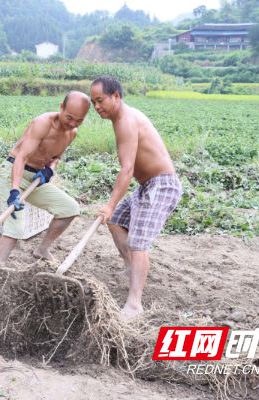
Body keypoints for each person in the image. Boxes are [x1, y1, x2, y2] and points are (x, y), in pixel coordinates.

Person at [90, 76, 182, 320]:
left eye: (100, 101)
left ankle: (134, 303)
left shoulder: (126, 121)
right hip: (147, 185)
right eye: (93, 103)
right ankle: (132, 267)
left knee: (138, 242)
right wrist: (112, 211)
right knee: (116, 221)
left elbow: (127, 169)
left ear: (116, 96)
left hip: (161, 186)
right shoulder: (120, 118)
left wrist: (109, 204)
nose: (97, 107)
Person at [0, 91, 91, 265]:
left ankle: (42, 250)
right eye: (69, 117)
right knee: (15, 227)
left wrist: (49, 170)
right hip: (13, 173)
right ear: (61, 107)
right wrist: (14, 190)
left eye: (79, 120)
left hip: (36, 179)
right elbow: (21, 157)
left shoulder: (72, 133)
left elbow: (56, 157)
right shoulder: (42, 123)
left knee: (69, 208)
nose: (73, 124)